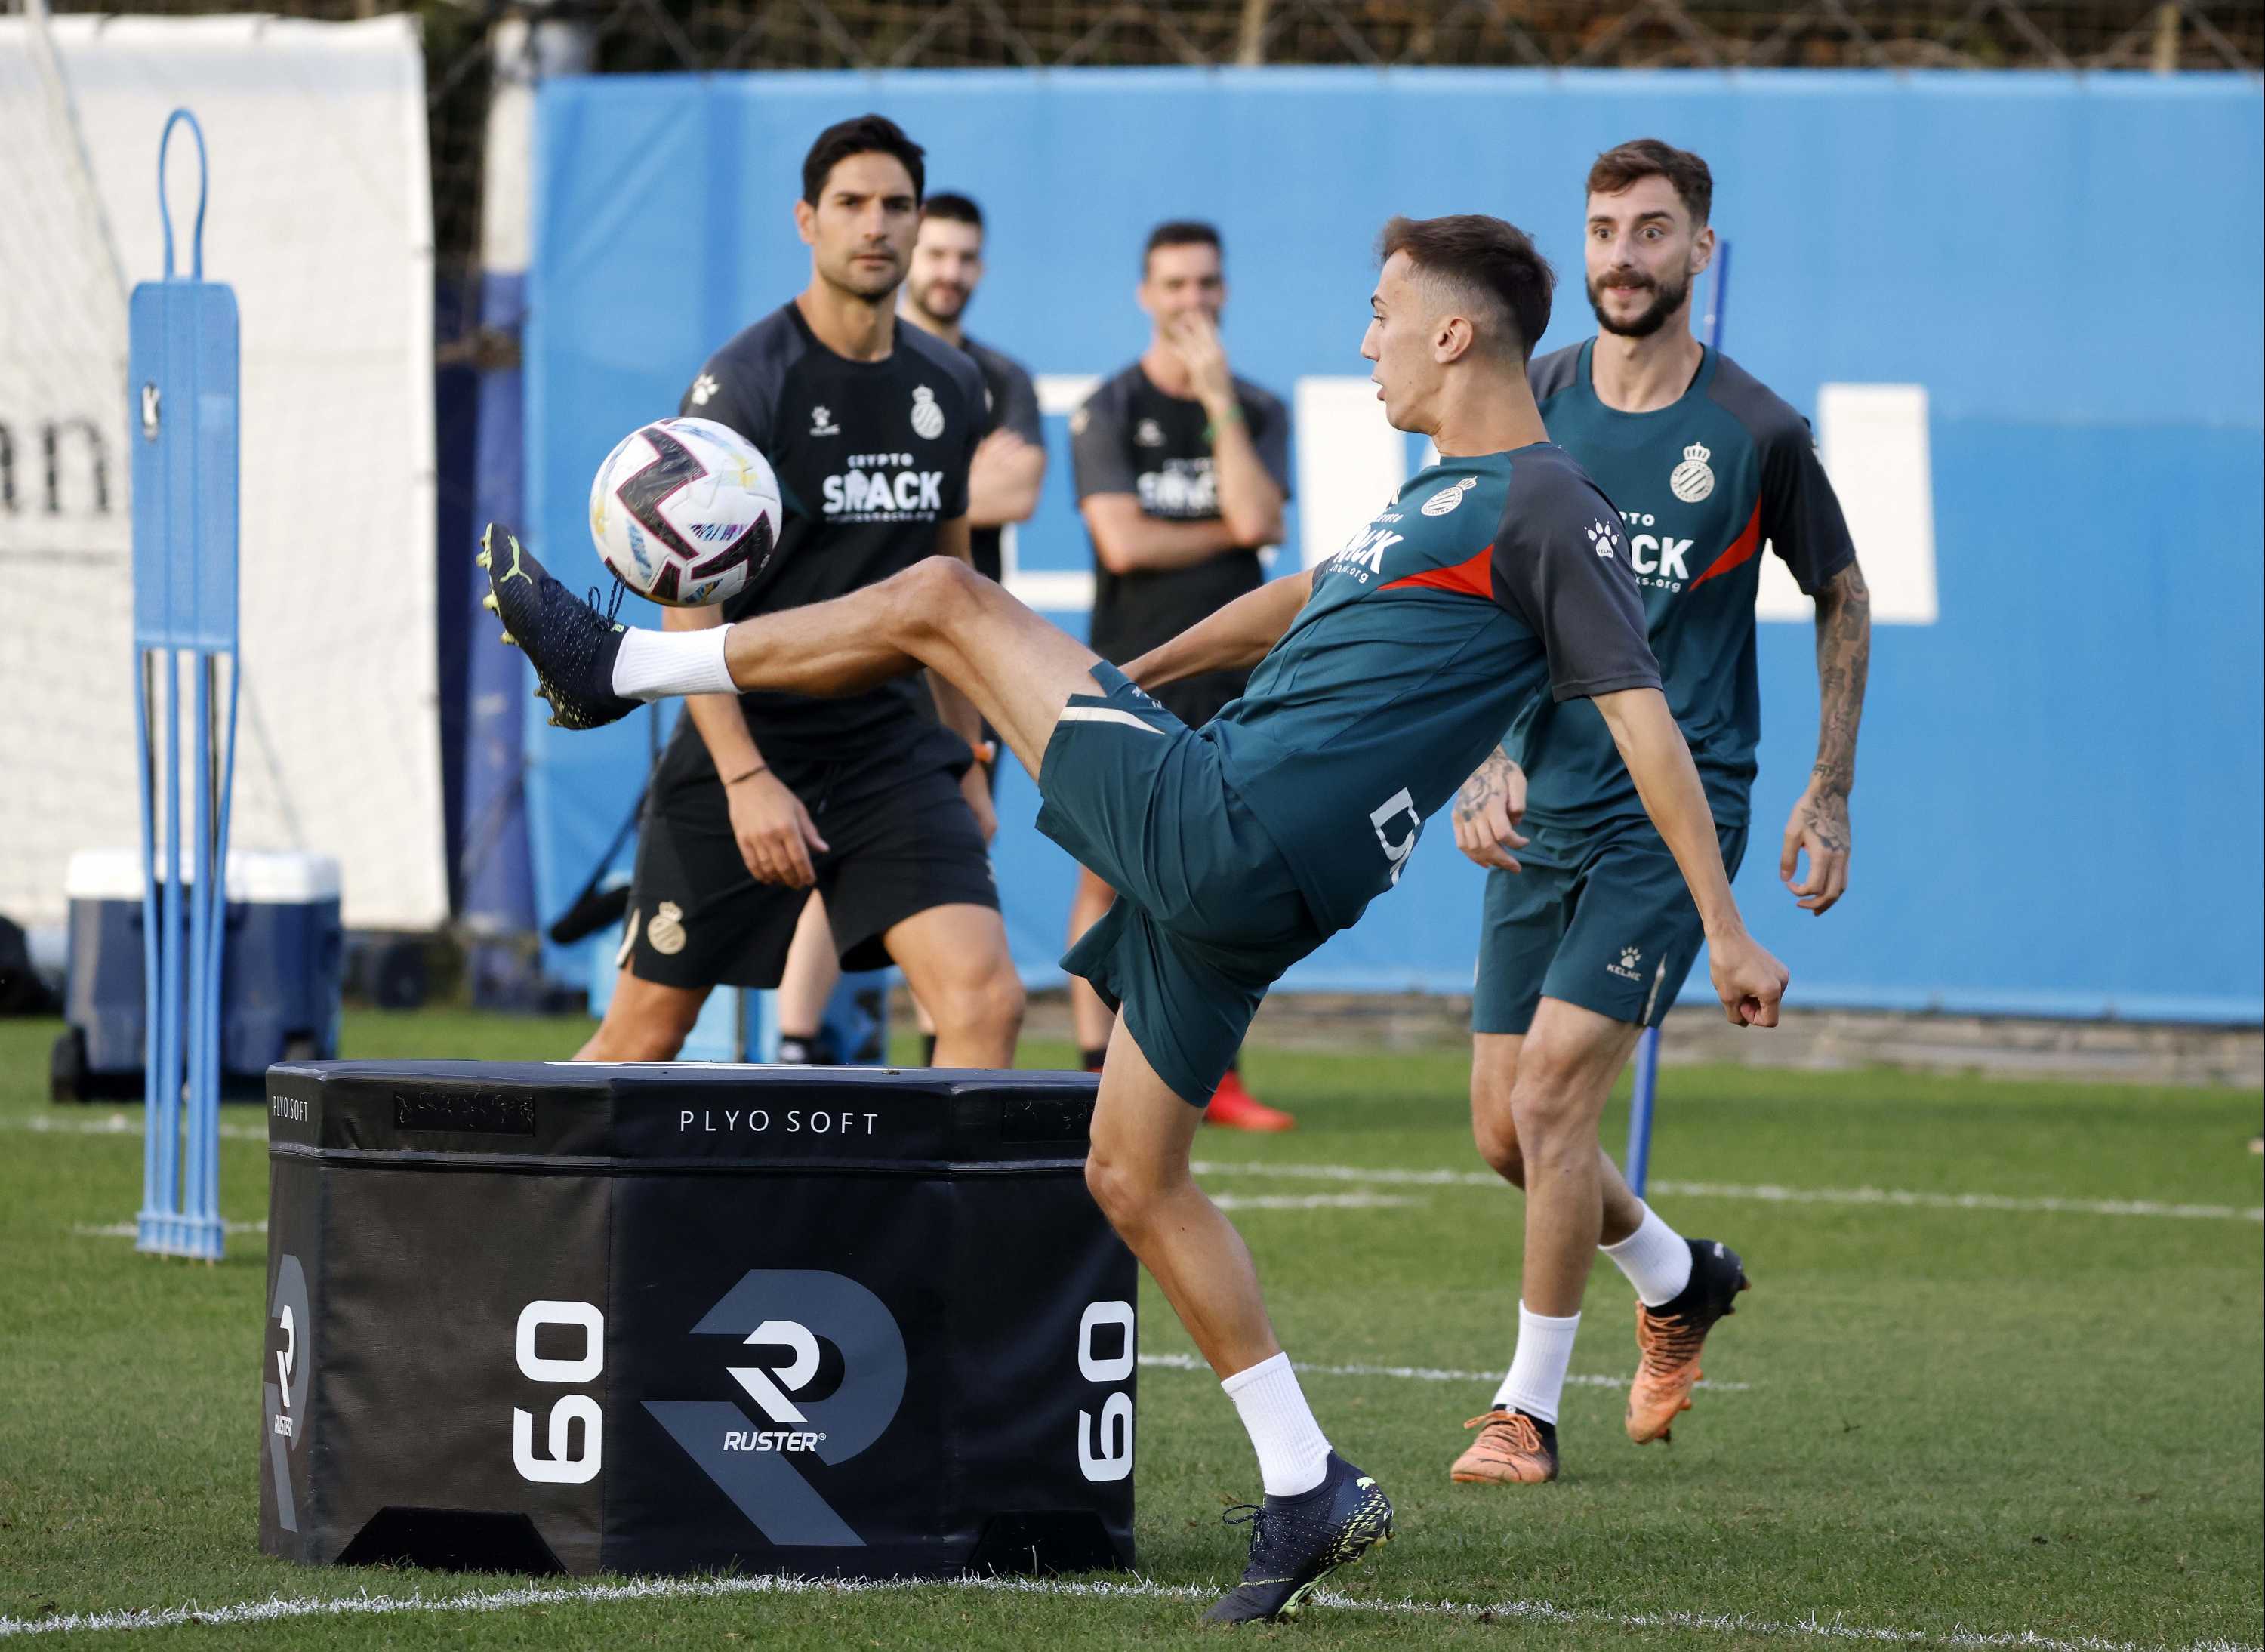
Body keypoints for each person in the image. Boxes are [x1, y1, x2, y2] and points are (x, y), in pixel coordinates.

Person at [484, 211, 1790, 1623]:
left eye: (1382, 313)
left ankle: (616, 664)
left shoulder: (1547, 504)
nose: (1367, 341)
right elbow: (1295, 603)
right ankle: (1308, 1485)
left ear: (1455, 333)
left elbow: (1644, 721)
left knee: (943, 594)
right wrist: (1129, 676)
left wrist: (1724, 927)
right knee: (1131, 1173)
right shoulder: (1447, 497)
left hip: (1235, 825)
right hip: (1246, 869)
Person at [1446, 140, 1870, 1489]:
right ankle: (1680, 1278)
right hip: (1542, 795)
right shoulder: (1532, 397)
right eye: (1602, 231)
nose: (1622, 257)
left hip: (1676, 808)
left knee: (1552, 1095)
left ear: (1700, 250)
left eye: (1650, 231)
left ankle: (1524, 1412)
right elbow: (1468, 577)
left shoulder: (1758, 432)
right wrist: (1483, 754)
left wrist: (1829, 787)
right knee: (1505, 1131)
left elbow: (1842, 592)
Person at [574, 113, 1024, 1069]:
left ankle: (927, 1185)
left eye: (896, 205)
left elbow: (955, 586)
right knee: (643, 1037)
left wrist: (969, 756)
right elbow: (688, 603)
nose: (876, 225)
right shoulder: (745, 381)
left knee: (985, 1005)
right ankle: (491, 1168)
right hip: (750, 732)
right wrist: (745, 780)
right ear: (807, 221)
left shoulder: (950, 383)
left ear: (919, 221)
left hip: (891, 746)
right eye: (851, 203)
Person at [775, 190, 1046, 1065]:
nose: (950, 272)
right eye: (938, 254)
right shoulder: (857, 369)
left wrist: (920, 483)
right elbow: (839, 494)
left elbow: (1018, 491)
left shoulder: (998, 379)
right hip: (854, 645)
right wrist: (945, 479)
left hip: (964, 660)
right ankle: (798, 1039)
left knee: (954, 847)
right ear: (907, 255)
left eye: (967, 258)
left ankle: (943, 1053)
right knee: (837, 847)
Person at [1067, 220, 1295, 1129]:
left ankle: (1216, 1073)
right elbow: (1122, 541)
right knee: (1106, 872)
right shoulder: (1109, 407)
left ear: (1224, 290)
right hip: (1135, 666)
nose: (1191, 301)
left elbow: (1261, 520)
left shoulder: (1256, 407)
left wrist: (1217, 402)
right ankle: (1091, 1071)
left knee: (1219, 876)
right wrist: (1227, 530)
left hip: (1236, 674)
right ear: (1145, 295)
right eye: (1174, 285)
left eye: (1205, 283)